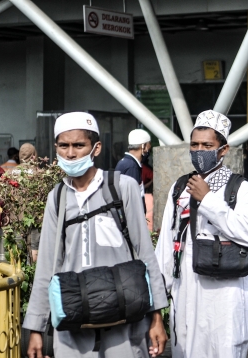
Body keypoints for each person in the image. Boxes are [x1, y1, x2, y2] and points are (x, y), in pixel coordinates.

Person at [23, 112, 168, 358]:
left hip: (123, 315)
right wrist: (36, 328)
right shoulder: (57, 198)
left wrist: (156, 316)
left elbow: (144, 252)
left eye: (79, 145)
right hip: (73, 318)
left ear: (96, 148)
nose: (70, 153)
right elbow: (47, 264)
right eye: (64, 146)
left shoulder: (122, 187)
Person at [155, 110, 248, 358]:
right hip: (186, 288)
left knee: (224, 348)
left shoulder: (240, 188)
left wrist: (208, 200)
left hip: (227, 290)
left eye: (207, 145)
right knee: (186, 348)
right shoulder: (180, 186)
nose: (199, 150)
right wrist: (159, 296)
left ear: (223, 150)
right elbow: (167, 244)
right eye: (195, 144)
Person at [115, 128, 151, 199]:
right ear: (143, 146)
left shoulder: (125, 162)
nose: (148, 151)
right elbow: (132, 198)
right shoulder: (132, 167)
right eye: (148, 149)